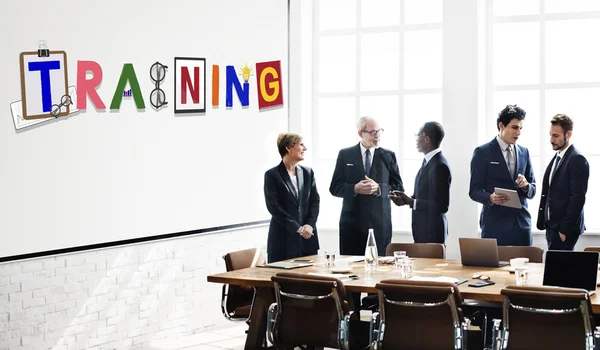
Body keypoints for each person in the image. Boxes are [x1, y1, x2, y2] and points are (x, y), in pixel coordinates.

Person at [329, 116, 403, 257]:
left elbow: (398, 187)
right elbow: (335, 187)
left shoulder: (388, 155)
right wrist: (354, 189)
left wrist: (379, 188)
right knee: (351, 272)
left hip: (380, 225)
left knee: (381, 269)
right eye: (373, 132)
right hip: (351, 225)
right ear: (360, 133)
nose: (378, 135)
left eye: (380, 131)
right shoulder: (345, 154)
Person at [469, 105, 536, 246]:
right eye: (514, 127)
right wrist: (491, 198)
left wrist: (525, 186)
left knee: (525, 268)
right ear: (501, 125)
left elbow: (533, 189)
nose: (518, 133)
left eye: (520, 128)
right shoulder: (482, 152)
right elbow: (474, 191)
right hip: (495, 226)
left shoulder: (524, 152)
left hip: (522, 226)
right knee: (493, 268)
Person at [390, 122, 451, 244]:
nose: (416, 140)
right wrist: (405, 200)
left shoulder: (439, 165)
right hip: (422, 233)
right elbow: (426, 196)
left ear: (426, 139)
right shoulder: (428, 162)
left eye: (418, 136)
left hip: (432, 235)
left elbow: (442, 206)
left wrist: (412, 202)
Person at [264, 133, 320, 263]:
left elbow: (315, 201)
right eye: (301, 144)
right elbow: (273, 207)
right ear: (288, 148)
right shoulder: (272, 175)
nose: (304, 148)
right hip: (282, 241)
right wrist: (298, 228)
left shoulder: (308, 173)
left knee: (310, 280)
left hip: (307, 239)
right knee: (283, 281)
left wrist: (310, 225)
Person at [537, 114, 589, 251]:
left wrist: (564, 230)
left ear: (569, 134)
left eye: (556, 136)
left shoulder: (577, 159)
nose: (551, 140)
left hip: (563, 230)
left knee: (560, 271)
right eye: (550, 135)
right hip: (552, 227)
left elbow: (577, 199)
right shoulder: (558, 156)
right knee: (555, 270)